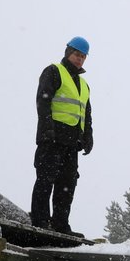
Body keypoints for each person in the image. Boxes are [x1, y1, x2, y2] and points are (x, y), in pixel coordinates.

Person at [30, 36, 94, 238]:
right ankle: (40, 220)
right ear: (68, 53)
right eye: (77, 55)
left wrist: (88, 137)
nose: (79, 59)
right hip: (53, 138)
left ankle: (60, 224)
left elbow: (86, 113)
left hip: (71, 142)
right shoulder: (54, 71)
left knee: (67, 184)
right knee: (46, 178)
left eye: (83, 57)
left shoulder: (84, 85)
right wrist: (47, 129)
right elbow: (43, 100)